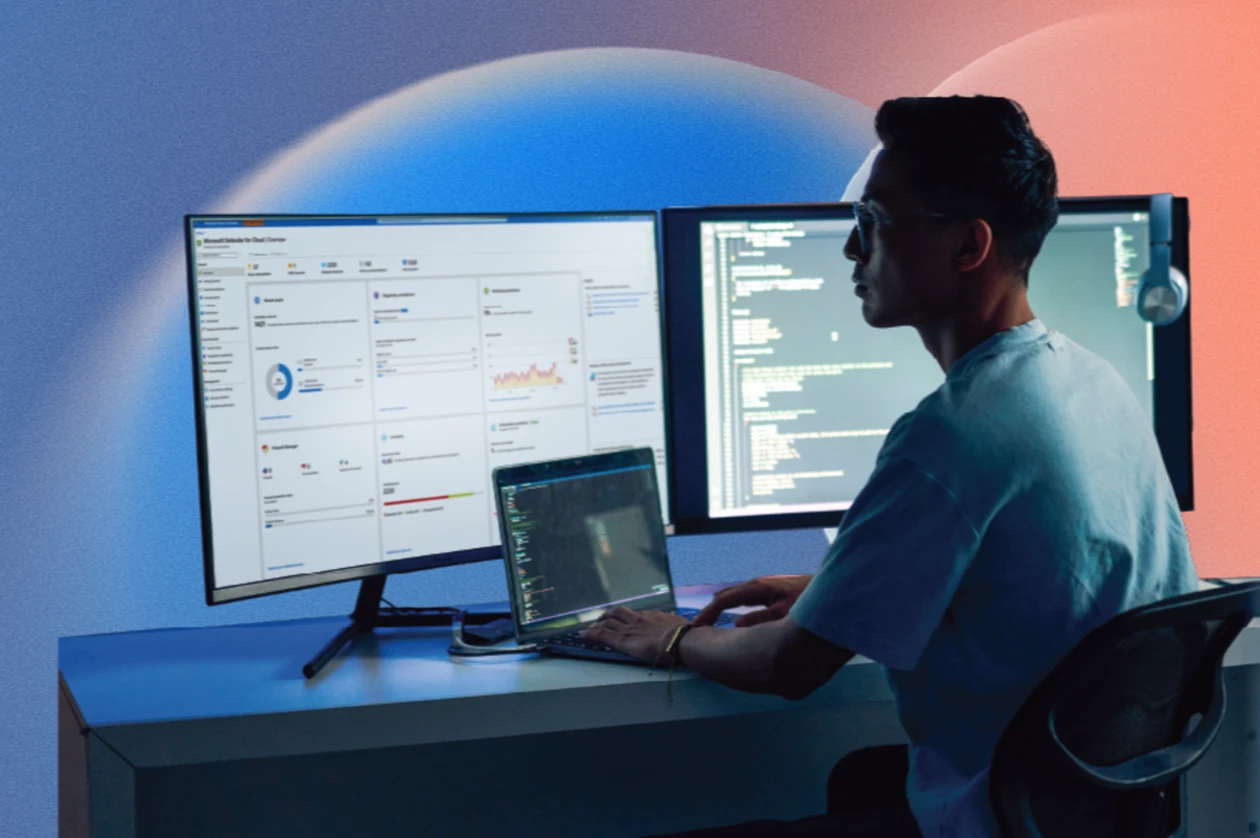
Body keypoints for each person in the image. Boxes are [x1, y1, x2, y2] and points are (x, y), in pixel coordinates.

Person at [582, 95, 1199, 837]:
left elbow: (786, 667)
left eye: (874, 220)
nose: (852, 248)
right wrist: (837, 592)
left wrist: (670, 639)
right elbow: (1048, 575)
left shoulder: (951, 436)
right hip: (1089, 806)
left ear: (968, 245)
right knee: (861, 780)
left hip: (1000, 819)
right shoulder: (1093, 380)